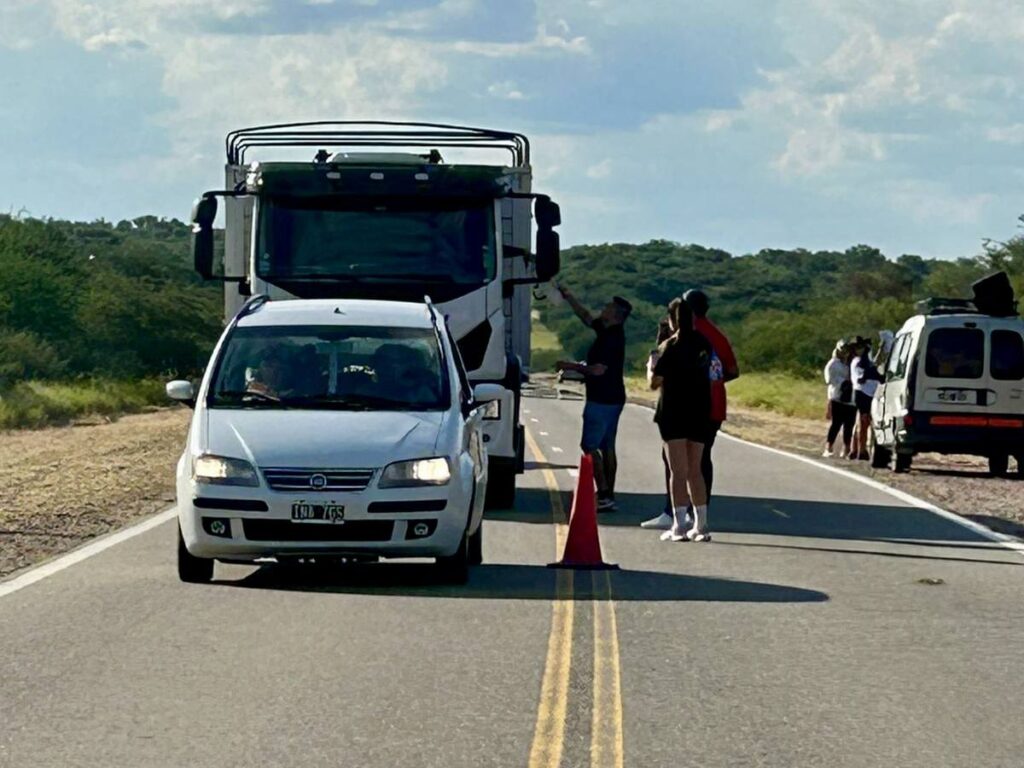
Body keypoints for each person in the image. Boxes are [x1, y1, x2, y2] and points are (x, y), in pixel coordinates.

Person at [642, 289, 738, 530]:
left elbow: (658, 378)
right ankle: (700, 516)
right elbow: (732, 370)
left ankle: (674, 514)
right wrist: (709, 381)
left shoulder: (676, 339)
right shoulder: (715, 335)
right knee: (700, 463)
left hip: (678, 406)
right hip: (711, 405)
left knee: (676, 464)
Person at [555, 283, 632, 511]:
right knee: (607, 446)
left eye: (608, 307)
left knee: (590, 445)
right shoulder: (608, 331)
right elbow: (586, 317)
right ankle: (608, 494)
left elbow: (598, 370)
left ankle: (604, 492)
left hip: (601, 398)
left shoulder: (611, 339)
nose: (604, 308)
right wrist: (569, 297)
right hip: (613, 397)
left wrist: (572, 367)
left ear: (616, 315)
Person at [648, 299, 713, 541]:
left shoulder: (670, 346)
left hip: (673, 410)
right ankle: (701, 524)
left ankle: (679, 525)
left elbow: (655, 382)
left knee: (678, 471)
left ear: (672, 320)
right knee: (696, 469)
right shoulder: (703, 343)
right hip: (699, 409)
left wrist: (651, 366)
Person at [850, 336, 884, 460]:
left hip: (870, 393)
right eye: (857, 347)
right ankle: (862, 450)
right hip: (862, 393)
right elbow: (861, 379)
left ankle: (854, 449)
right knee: (863, 422)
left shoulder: (867, 362)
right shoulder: (857, 362)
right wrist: (874, 373)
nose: (860, 349)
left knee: (862, 422)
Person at [823, 339, 856, 458]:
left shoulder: (852, 363)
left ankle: (846, 448)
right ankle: (829, 446)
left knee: (849, 425)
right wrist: (844, 383)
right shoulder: (833, 364)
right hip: (837, 397)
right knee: (836, 424)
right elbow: (829, 380)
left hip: (851, 399)